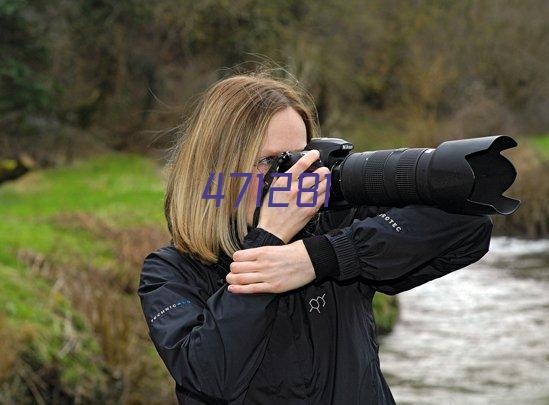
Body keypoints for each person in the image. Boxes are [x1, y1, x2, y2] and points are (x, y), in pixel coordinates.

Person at [138, 72, 494, 404]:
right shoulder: (171, 272)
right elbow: (211, 377)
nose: (294, 177)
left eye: (300, 157)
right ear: (218, 168)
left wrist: (321, 257)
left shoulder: (333, 224)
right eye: (270, 161)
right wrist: (270, 238)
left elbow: (468, 226)